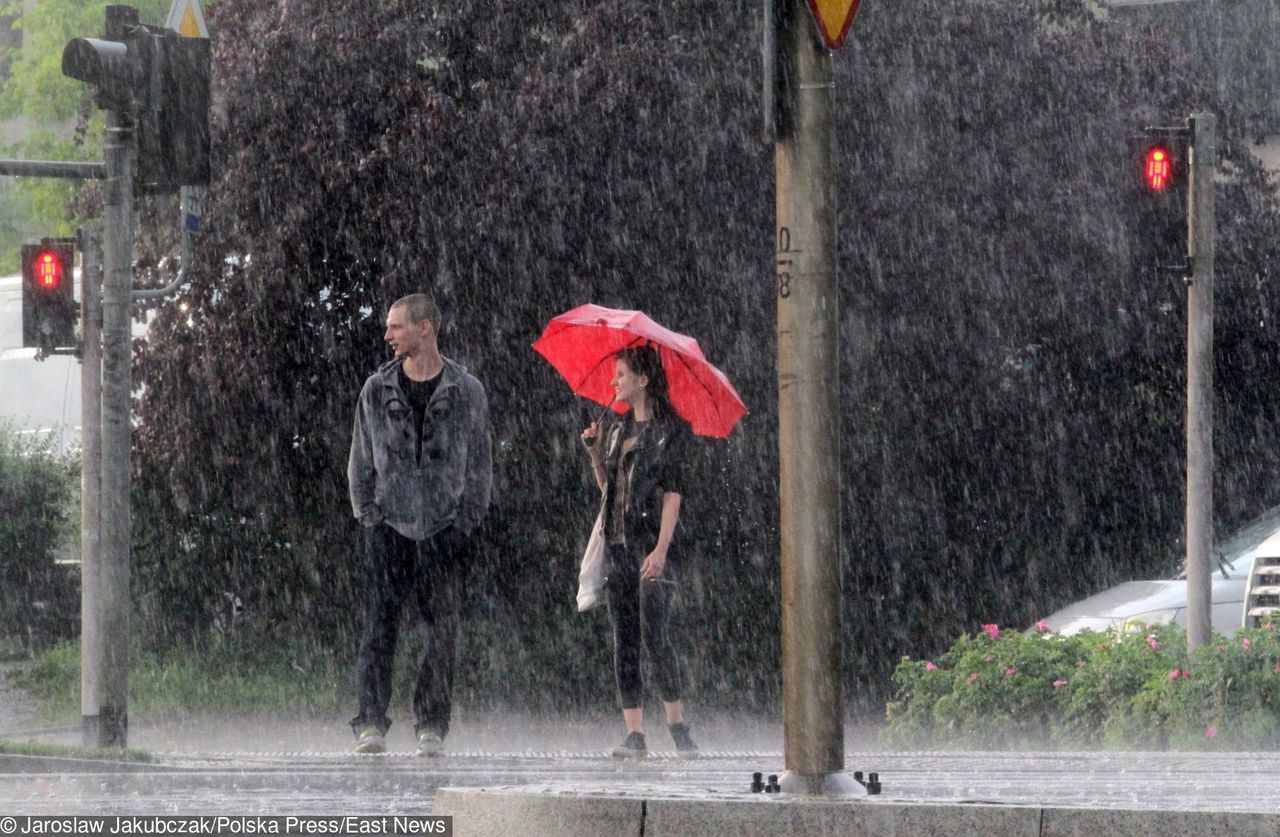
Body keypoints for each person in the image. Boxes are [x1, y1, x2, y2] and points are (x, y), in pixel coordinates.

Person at [347, 293, 492, 756]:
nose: (388, 335)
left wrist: (465, 521)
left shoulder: (466, 390)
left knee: (443, 631)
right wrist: (369, 516)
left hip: (444, 527)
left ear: (424, 328)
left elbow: (481, 463)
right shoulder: (377, 388)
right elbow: (360, 459)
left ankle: (431, 724)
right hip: (390, 525)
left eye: (396, 326)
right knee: (379, 627)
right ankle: (370, 722)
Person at [580, 345, 700, 759]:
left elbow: (673, 494)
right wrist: (596, 455)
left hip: (652, 547)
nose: (614, 382)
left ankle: (677, 724)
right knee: (624, 640)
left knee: (656, 635)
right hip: (617, 547)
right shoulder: (615, 430)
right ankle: (635, 735)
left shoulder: (672, 431)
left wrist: (661, 549)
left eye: (621, 375)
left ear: (643, 380)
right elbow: (608, 494)